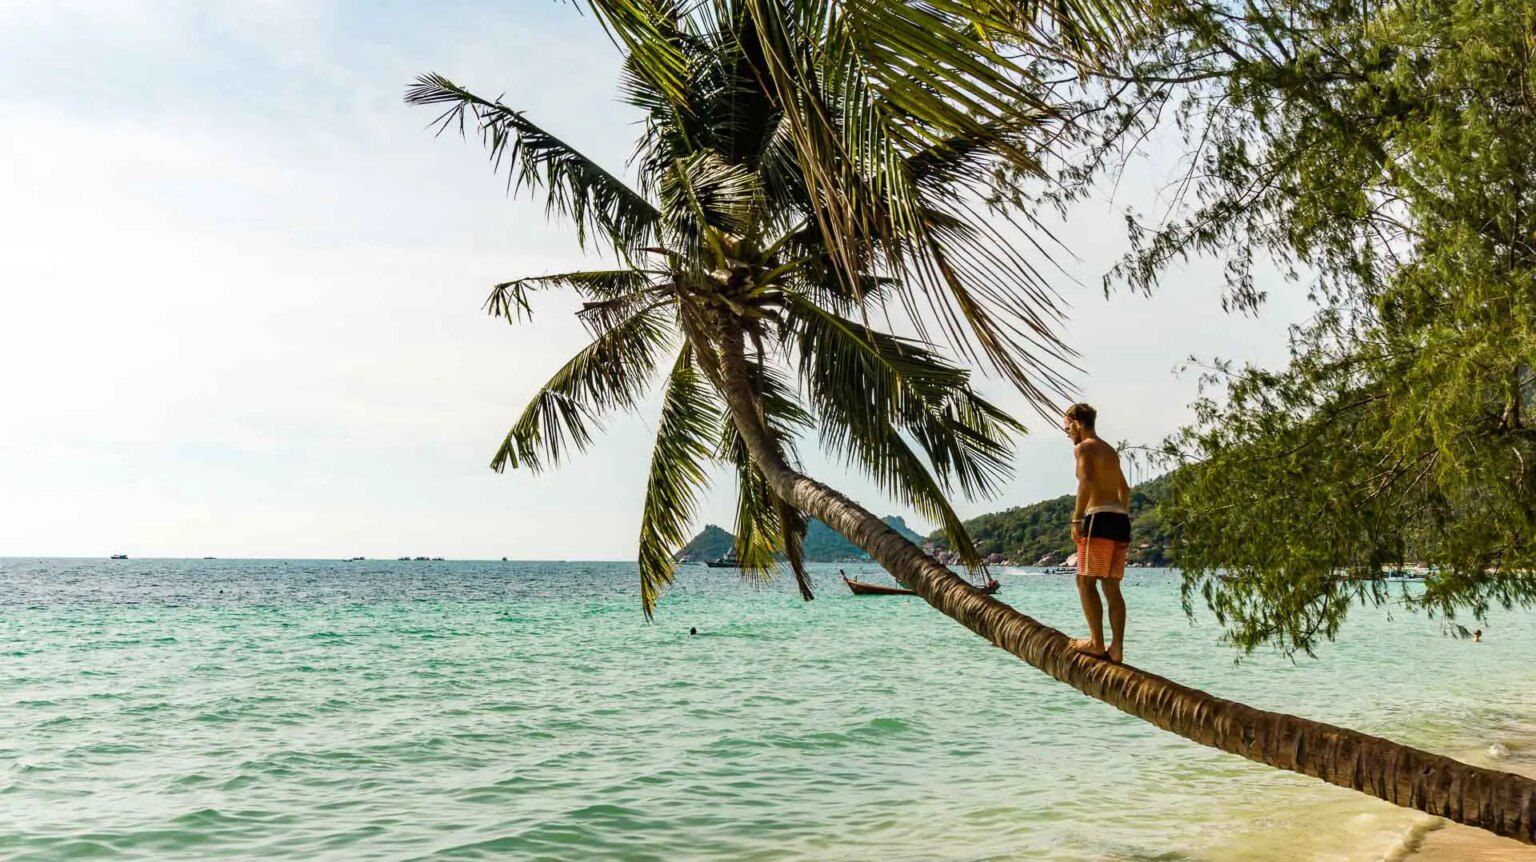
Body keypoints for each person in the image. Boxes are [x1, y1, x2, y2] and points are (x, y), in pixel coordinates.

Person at [1063, 402, 1132, 663]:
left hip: (1099, 520)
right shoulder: (1110, 451)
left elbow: (1086, 482)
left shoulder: (1084, 448)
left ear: (1078, 424)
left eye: (1067, 427)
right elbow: (1125, 490)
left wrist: (1076, 518)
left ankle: (1096, 642)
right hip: (1120, 520)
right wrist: (1120, 513)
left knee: (1084, 581)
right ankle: (1117, 648)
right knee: (1111, 585)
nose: (1067, 433)